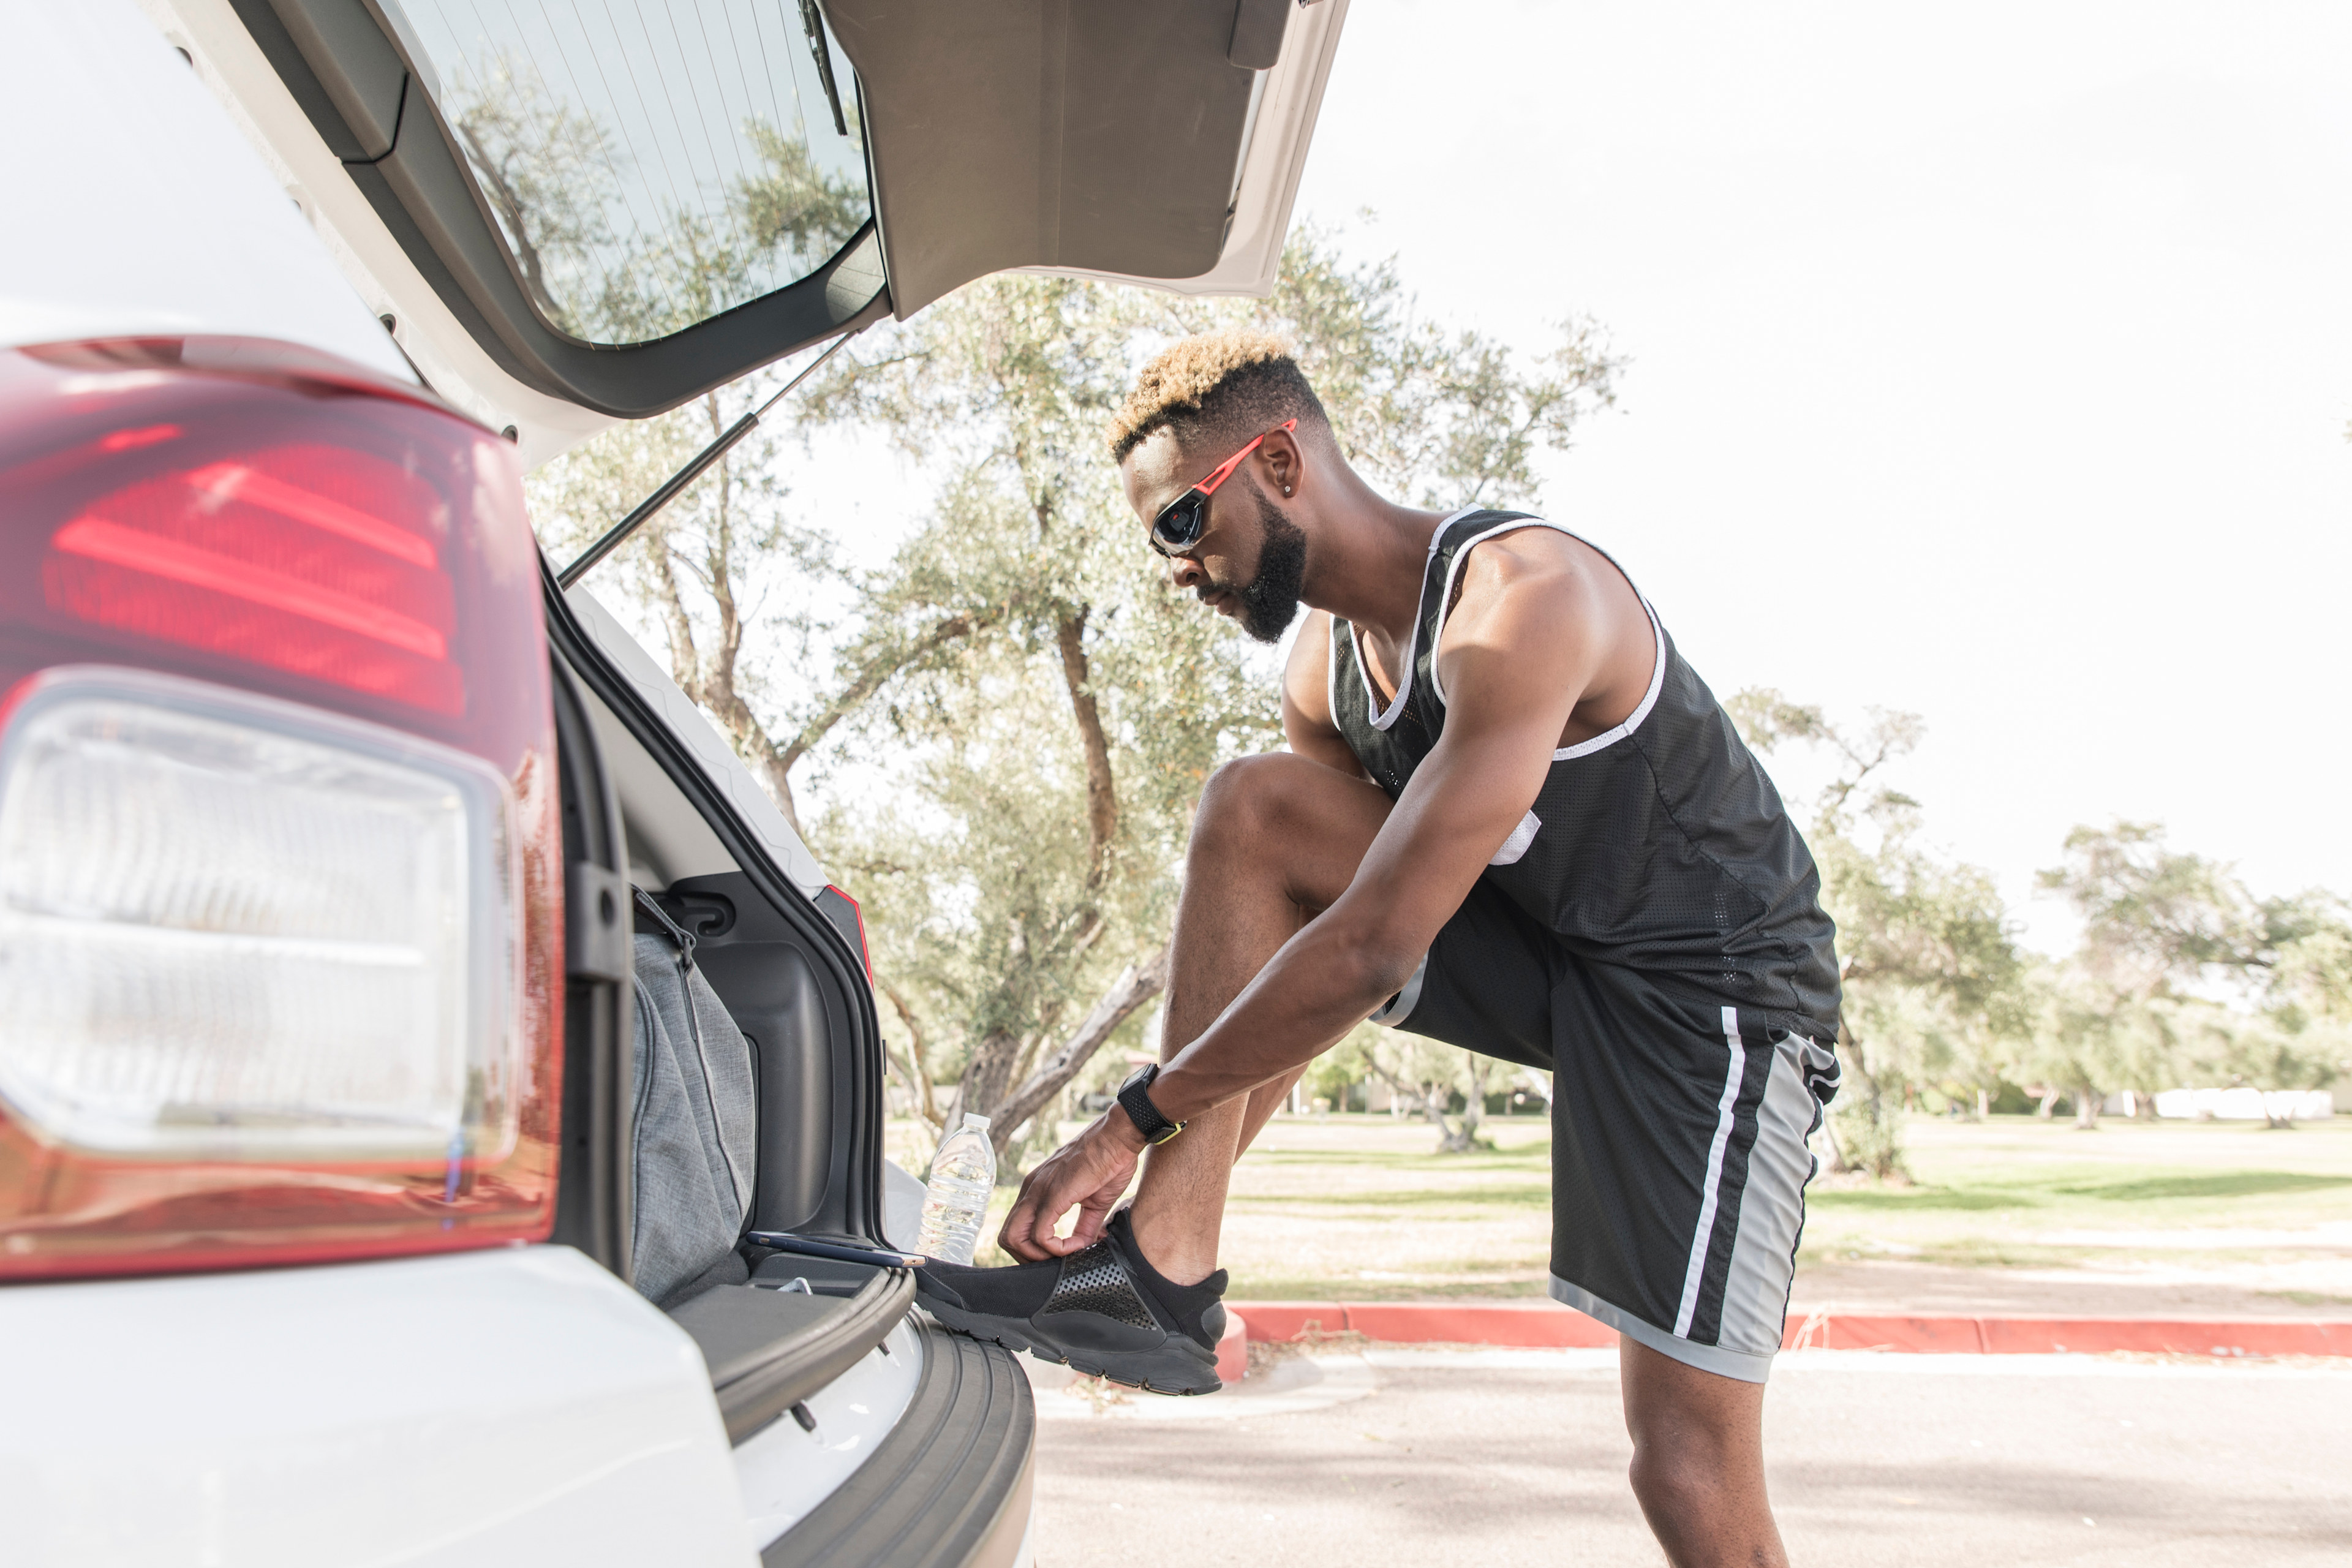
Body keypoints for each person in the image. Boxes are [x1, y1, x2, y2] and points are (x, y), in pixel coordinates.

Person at [913, 330, 1841, 1567]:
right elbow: (1304, 958)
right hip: (1555, 957)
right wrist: (1163, 1178)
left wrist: (1130, 1120)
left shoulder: (1524, 601)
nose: (1177, 565)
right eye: (1158, 538)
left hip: (1713, 996)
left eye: (1184, 519)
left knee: (1681, 1465)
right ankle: (1160, 1274)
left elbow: (1373, 946)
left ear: (1280, 462)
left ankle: (1158, 1256)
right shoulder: (1324, 676)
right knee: (1255, 813)